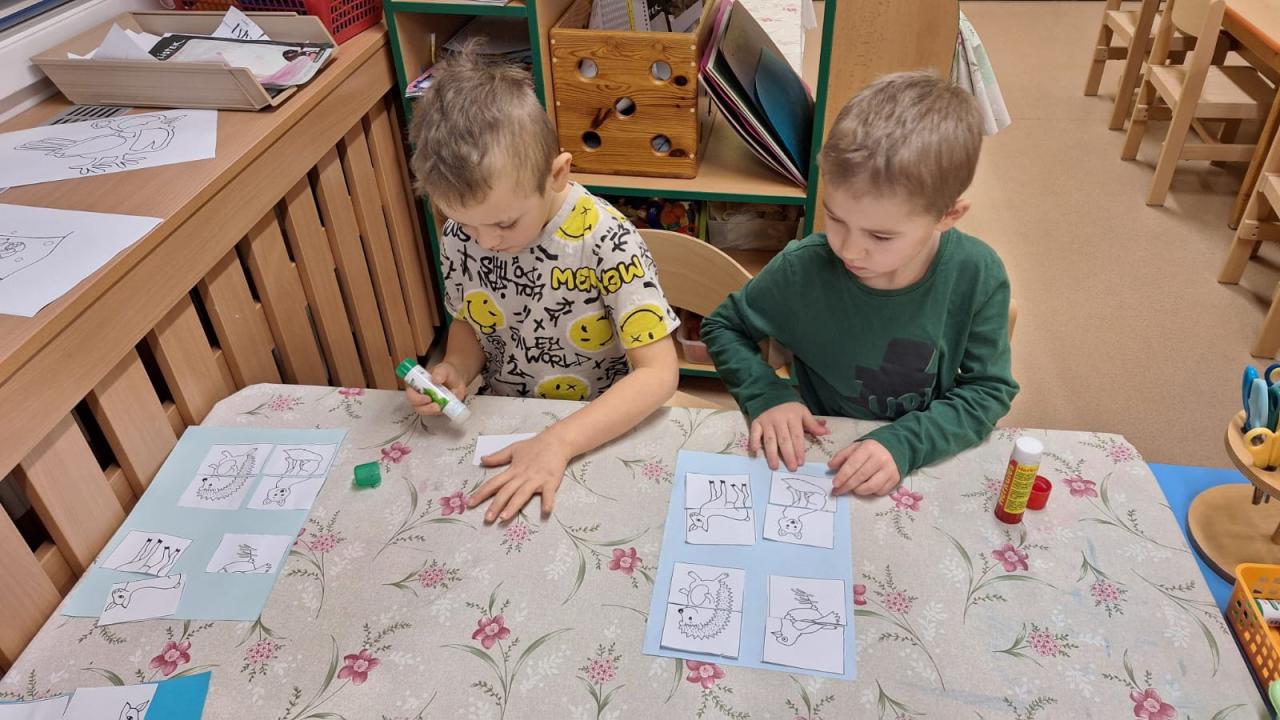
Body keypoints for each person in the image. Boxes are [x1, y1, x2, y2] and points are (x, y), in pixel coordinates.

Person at [702, 70, 1019, 497]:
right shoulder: (803, 267)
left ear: (948, 215)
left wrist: (907, 442)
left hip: (920, 455)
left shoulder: (976, 273)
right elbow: (724, 326)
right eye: (834, 217)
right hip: (821, 449)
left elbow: (988, 390)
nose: (848, 250)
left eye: (881, 236)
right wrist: (767, 395)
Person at [406, 49, 680, 522]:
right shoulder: (463, 235)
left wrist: (559, 442)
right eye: (466, 224)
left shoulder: (606, 239)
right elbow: (471, 321)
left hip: (595, 430)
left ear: (556, 175)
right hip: (510, 422)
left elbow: (658, 375)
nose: (486, 242)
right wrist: (455, 368)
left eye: (504, 223)